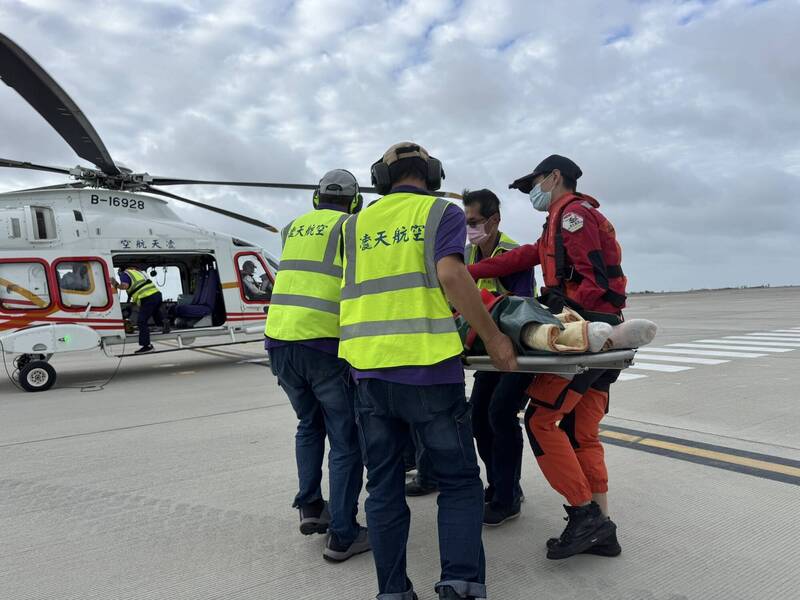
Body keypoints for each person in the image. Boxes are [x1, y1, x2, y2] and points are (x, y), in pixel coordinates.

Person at [339, 142, 517, 600]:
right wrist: (495, 338)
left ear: (381, 178)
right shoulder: (442, 213)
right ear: (433, 175)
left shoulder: (354, 224)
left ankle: (393, 591)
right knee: (458, 482)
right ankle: (459, 585)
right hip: (427, 372)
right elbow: (453, 277)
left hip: (369, 374)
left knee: (381, 488)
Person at [466, 154, 627, 559]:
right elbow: (522, 257)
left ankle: (585, 516)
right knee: (581, 430)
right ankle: (602, 527)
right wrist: (467, 273)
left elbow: (594, 277)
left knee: (541, 421)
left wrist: (576, 323)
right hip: (603, 327)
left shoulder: (573, 216)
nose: (531, 194)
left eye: (534, 184)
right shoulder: (558, 220)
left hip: (587, 330)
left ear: (555, 177)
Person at [265, 169, 369, 563]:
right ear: (354, 200)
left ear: (316, 198)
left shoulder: (292, 228)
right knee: (345, 439)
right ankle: (343, 534)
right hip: (323, 344)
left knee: (309, 425)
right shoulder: (353, 228)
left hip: (279, 341)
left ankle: (311, 505)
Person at [462, 188, 534, 527]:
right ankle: (500, 484)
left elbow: (520, 307)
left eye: (474, 222)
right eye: (466, 222)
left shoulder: (513, 254)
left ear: (494, 220)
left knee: (500, 415)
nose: (469, 228)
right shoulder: (468, 254)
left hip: (515, 351)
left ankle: (508, 496)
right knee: (478, 418)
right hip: (485, 352)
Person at [111, 266, 170, 354]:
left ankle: (147, 346)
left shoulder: (124, 273)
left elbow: (124, 286)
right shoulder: (138, 273)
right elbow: (139, 287)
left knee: (141, 321)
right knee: (155, 312)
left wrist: (115, 284)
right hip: (157, 295)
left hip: (147, 297)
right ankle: (163, 324)